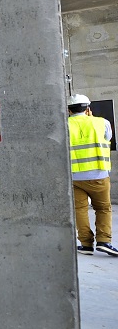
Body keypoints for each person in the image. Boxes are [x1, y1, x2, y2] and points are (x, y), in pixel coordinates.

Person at [67, 94, 116, 256]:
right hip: (99, 174)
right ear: (88, 108)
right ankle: (104, 241)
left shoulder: (64, 125)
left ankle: (86, 244)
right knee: (103, 208)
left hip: (74, 177)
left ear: (69, 110)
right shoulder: (102, 122)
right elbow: (107, 139)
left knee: (79, 209)